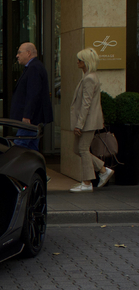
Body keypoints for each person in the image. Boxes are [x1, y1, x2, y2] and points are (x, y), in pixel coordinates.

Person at [69, 48, 113, 193]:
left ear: (86, 62)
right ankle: (103, 170)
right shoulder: (90, 76)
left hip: (87, 122)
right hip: (87, 121)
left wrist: (79, 124)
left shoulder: (89, 78)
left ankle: (87, 182)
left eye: (80, 60)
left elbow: (85, 104)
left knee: (82, 149)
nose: (77, 62)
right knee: (78, 149)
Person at [9, 42, 53, 150]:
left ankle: (17, 167)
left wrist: (27, 115)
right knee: (31, 148)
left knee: (19, 147)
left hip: (30, 119)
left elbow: (33, 94)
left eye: (19, 52)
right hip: (33, 118)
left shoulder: (34, 68)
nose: (17, 55)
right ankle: (34, 166)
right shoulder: (33, 67)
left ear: (28, 53)